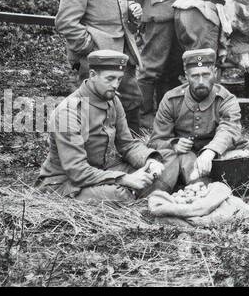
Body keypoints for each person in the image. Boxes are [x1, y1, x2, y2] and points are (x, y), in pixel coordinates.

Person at [55, 0, 146, 130]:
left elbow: (128, 0)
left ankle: (132, 147)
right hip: (97, 59)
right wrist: (91, 50)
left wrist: (134, 11)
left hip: (123, 52)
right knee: (95, 108)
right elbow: (66, 22)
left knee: (132, 100)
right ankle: (90, 153)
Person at [36, 50, 163, 200]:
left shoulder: (112, 100)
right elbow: (77, 172)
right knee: (119, 194)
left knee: (162, 170)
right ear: (92, 75)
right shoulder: (68, 112)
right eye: (110, 79)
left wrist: (148, 161)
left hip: (100, 171)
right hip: (65, 183)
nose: (116, 85)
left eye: (119, 79)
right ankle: (136, 196)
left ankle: (138, 194)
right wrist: (125, 179)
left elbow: (127, 145)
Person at [149, 48, 249, 192]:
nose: (201, 81)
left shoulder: (226, 99)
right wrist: (174, 145)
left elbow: (229, 129)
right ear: (186, 76)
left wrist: (210, 151)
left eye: (206, 74)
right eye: (195, 76)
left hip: (222, 155)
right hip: (190, 161)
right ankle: (204, 191)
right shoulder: (171, 100)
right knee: (186, 160)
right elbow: (155, 140)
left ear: (214, 73)